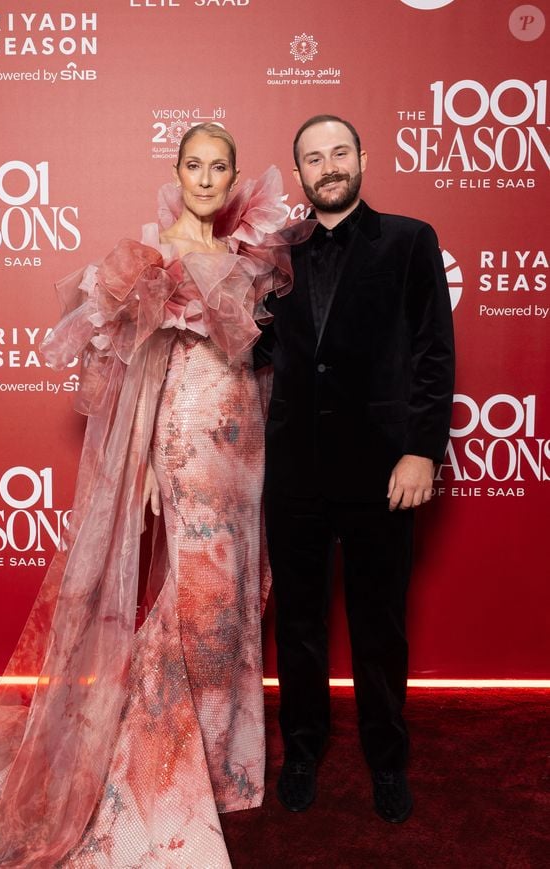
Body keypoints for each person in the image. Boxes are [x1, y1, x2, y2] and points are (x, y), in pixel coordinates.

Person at [0, 124, 310, 868]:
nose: (208, 177)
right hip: (184, 439)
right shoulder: (151, 254)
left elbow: (264, 365)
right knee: (200, 596)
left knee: (247, 591)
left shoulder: (251, 253)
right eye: (196, 164)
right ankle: (170, 752)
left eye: (220, 166)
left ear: (230, 177)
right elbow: (131, 368)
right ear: (178, 170)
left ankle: (231, 762)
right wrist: (149, 464)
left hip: (245, 442)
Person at [255, 115, 455, 823]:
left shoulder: (409, 240)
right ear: (300, 173)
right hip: (294, 471)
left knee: (378, 625)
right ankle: (301, 751)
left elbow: (434, 351)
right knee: (299, 626)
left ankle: (387, 759)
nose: (329, 166)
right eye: (314, 157)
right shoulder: (273, 250)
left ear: (362, 158)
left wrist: (422, 449)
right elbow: (255, 351)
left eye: (339, 152)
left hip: (382, 469)